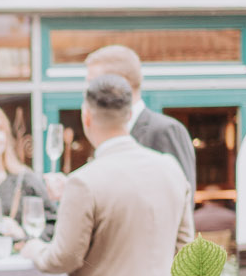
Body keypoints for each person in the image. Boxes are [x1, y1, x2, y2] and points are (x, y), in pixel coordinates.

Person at [25, 72, 193, 276]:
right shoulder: (169, 168)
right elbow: (185, 246)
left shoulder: (84, 181)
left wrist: (33, 250)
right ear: (129, 115)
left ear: (87, 117)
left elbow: (65, 257)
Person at [83, 44, 197, 195]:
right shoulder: (102, 131)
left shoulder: (165, 130)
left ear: (121, 82)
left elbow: (182, 195)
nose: (88, 90)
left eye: (93, 82)